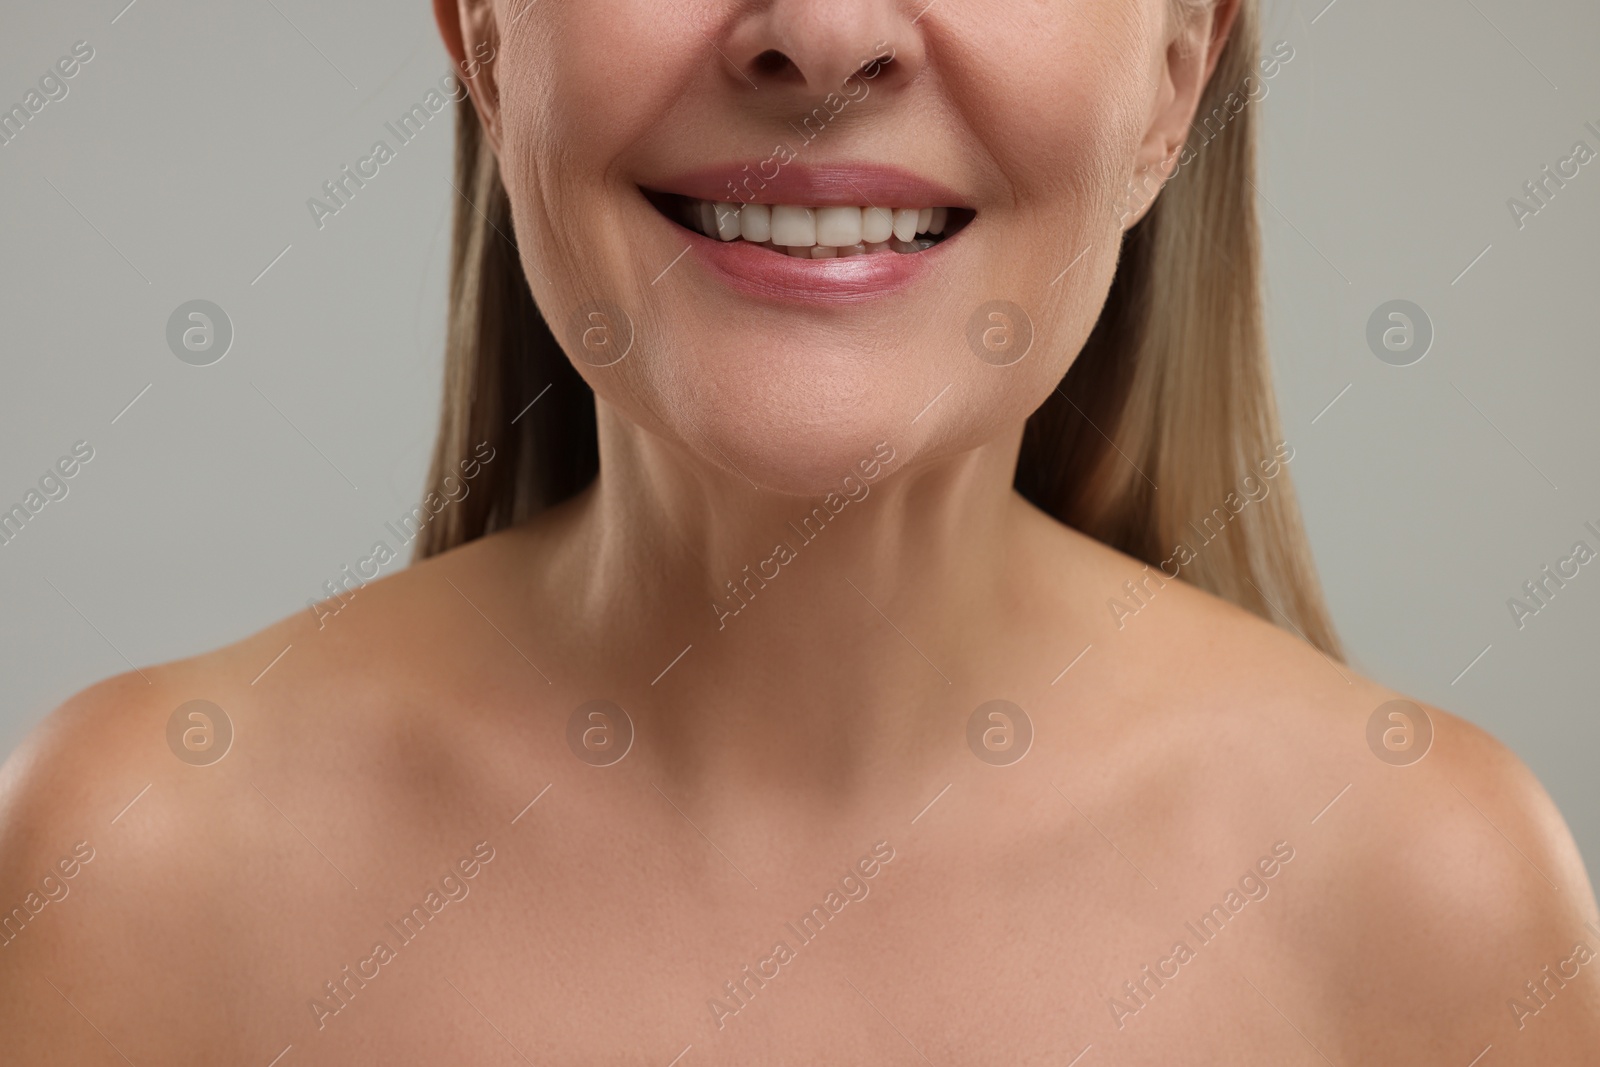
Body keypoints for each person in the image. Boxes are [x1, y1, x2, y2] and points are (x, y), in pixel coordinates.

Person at [2, 0, 1596, 1061]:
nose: (822, 34)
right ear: (479, 28)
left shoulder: (1427, 899)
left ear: (1180, 63)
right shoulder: (133, 868)